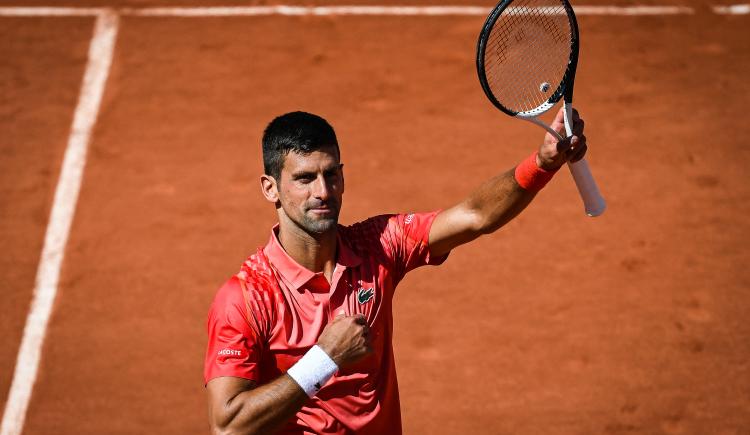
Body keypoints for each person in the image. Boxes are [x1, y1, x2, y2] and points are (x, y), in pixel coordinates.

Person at [204, 109, 587, 434]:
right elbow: (228, 425)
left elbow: (475, 216)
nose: (323, 191)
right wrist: (324, 359)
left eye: (331, 174)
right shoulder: (245, 297)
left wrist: (543, 163)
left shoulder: (378, 244)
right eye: (304, 179)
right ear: (270, 189)